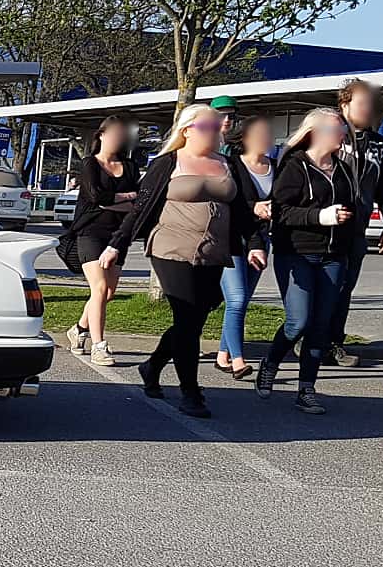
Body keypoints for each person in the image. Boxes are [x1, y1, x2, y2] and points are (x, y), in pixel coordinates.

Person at [98, 102, 262, 418]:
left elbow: (242, 211)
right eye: (208, 127)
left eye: (217, 126)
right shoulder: (168, 163)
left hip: (213, 254)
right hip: (171, 249)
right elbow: (141, 208)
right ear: (187, 130)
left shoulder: (228, 165)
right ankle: (191, 392)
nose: (215, 131)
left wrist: (255, 243)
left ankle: (153, 365)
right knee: (187, 318)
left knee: (195, 318)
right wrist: (116, 245)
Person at [258, 109, 359, 414]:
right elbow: (281, 211)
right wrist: (320, 217)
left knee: (321, 324)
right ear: (317, 132)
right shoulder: (294, 166)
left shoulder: (343, 169)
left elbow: (353, 207)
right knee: (298, 321)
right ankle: (271, 362)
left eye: (344, 130)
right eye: (338, 129)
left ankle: (307, 389)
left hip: (334, 256)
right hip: (297, 253)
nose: (343, 135)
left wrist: (347, 225)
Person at [285, 78, 383, 366]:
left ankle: (333, 342)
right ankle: (302, 337)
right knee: (312, 292)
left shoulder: (379, 145)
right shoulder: (327, 140)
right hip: (316, 229)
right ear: (344, 105)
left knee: (342, 289)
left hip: (354, 231)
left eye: (371, 104)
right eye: (362, 103)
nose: (369, 109)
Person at [64, 115, 140, 368]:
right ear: (101, 135)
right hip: (90, 232)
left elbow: (137, 203)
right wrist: (124, 198)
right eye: (114, 133)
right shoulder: (90, 164)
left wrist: (116, 200)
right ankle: (99, 345)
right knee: (98, 288)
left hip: (118, 233)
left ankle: (78, 329)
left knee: (108, 292)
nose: (118, 138)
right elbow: (95, 196)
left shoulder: (130, 167)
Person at [216, 105, 275, 378]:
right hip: (231, 239)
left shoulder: (275, 166)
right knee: (237, 299)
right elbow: (230, 200)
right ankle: (238, 361)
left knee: (242, 300)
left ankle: (222, 354)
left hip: (262, 240)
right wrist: (254, 208)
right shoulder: (232, 166)